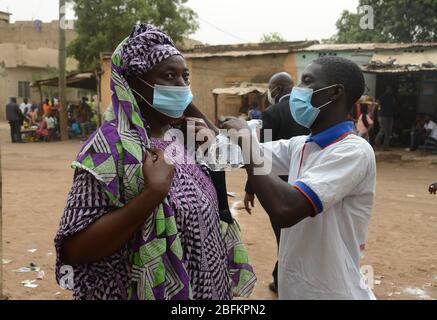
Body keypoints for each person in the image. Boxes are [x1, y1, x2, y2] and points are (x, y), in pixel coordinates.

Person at [55, 24, 255, 300]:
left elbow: (226, 155)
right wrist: (151, 195)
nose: (182, 86)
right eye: (169, 76)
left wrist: (190, 110)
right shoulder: (110, 147)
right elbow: (74, 250)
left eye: (186, 77)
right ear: (135, 84)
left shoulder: (183, 137)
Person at [223, 56, 376, 300]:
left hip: (333, 293)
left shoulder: (353, 151)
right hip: (297, 290)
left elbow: (285, 209)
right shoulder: (303, 145)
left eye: (306, 82)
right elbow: (226, 149)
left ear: (334, 93)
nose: (297, 91)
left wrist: (246, 140)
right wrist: (188, 106)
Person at [244, 71, 309, 293]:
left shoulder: (271, 113)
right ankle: (281, 276)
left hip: (278, 186)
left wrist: (250, 190)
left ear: (277, 89)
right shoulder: (311, 111)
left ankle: (282, 279)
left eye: (270, 88)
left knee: (284, 236)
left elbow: (258, 156)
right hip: (309, 182)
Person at [375, 86, 396, 151]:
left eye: (391, 89)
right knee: (383, 129)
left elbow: (394, 105)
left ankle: (385, 147)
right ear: (387, 89)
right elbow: (377, 103)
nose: (390, 90)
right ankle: (376, 143)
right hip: (382, 115)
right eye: (389, 89)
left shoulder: (392, 97)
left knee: (388, 132)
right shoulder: (383, 96)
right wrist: (379, 110)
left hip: (390, 116)